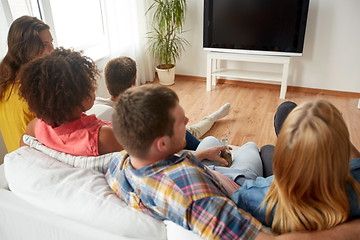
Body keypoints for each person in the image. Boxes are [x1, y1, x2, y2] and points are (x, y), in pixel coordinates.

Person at [105, 85, 360, 240]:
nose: (188, 120)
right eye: (181, 121)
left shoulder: (120, 165)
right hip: (243, 184)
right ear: (161, 144)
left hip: (212, 172)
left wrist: (197, 157)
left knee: (227, 139)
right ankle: (318, 139)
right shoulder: (198, 198)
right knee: (255, 145)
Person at [231, 99, 360, 234]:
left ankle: (296, 141)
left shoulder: (253, 195)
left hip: (282, 195)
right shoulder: (356, 182)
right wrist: (331, 135)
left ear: (282, 156)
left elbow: (228, 214)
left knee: (267, 148)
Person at [86, 56, 231, 150]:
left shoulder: (94, 106)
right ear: (133, 84)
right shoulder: (133, 114)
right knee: (191, 131)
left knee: (192, 129)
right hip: (168, 138)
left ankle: (214, 116)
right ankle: (214, 119)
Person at [19, 47, 122, 156]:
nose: (93, 88)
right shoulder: (102, 137)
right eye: (88, 84)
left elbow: (24, 142)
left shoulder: (38, 126)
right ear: (74, 99)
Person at [0, 15, 54, 153]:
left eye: (51, 42)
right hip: (37, 161)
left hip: (18, 163)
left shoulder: (5, 82)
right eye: (44, 45)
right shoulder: (35, 88)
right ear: (26, 49)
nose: (52, 49)